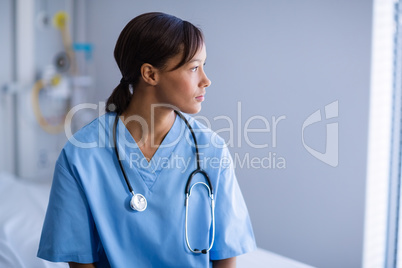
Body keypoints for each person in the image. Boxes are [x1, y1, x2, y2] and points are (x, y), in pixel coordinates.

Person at [37, 12, 256, 268]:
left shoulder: (212, 150)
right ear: (150, 74)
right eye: (194, 68)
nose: (206, 81)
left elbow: (225, 253)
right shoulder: (81, 155)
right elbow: (80, 259)